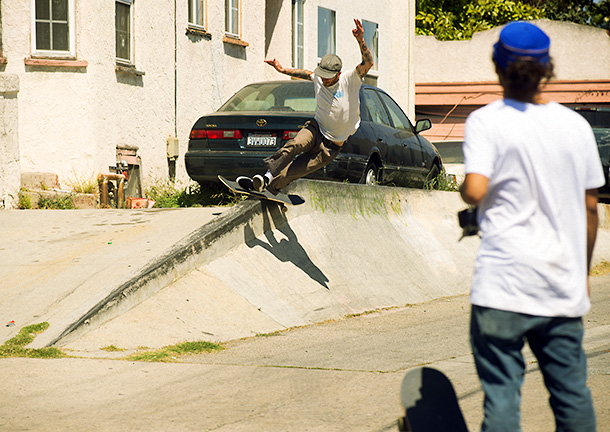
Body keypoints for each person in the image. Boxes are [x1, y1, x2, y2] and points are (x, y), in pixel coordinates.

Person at [460, 21, 603, 432]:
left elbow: (475, 189)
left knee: (503, 397)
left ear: (497, 66)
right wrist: (582, 270)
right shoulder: (576, 126)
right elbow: (590, 208)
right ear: (547, 69)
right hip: (560, 282)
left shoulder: (487, 120)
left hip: (503, 284)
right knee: (572, 395)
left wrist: (468, 195)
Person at [237, 19, 374, 194]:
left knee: (292, 172)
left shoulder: (350, 79)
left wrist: (361, 40)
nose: (324, 80)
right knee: (294, 144)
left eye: (328, 77)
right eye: (322, 76)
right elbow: (304, 73)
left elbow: (368, 63)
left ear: (339, 74)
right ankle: (266, 176)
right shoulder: (318, 78)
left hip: (331, 146)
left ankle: (269, 189)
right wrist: (281, 70)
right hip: (316, 129)